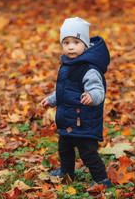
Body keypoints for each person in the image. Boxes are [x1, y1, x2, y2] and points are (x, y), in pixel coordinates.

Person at [41, 17, 111, 188]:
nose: (70, 46)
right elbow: (64, 90)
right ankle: (66, 173)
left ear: (85, 45)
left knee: (87, 153)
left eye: (76, 42)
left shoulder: (89, 69)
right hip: (68, 119)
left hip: (83, 121)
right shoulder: (67, 64)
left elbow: (98, 91)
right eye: (66, 42)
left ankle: (102, 180)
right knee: (64, 148)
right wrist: (51, 100)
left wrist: (91, 96)